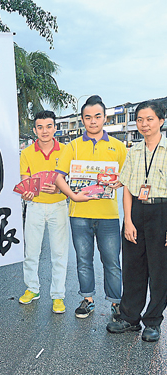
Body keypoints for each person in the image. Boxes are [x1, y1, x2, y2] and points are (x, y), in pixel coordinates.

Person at [55, 95, 127, 319]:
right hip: (79, 215)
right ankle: (88, 299)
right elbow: (58, 178)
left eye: (97, 116)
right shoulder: (73, 147)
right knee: (83, 261)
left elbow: (128, 176)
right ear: (82, 120)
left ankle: (116, 303)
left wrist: (119, 182)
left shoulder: (118, 146)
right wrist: (73, 197)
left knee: (112, 262)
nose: (93, 121)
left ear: (104, 118)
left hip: (108, 216)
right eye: (88, 117)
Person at [106, 101, 167, 342]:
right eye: (140, 119)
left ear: (161, 121)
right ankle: (129, 318)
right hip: (136, 213)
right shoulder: (134, 151)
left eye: (149, 119)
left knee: (160, 270)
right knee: (132, 267)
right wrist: (128, 221)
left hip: (162, 212)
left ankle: (153, 321)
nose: (144, 124)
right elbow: (128, 189)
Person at [18, 111, 70, 314]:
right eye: (40, 127)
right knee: (31, 252)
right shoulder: (26, 153)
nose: (44, 131)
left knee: (59, 253)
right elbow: (25, 181)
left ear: (55, 128)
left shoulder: (66, 150)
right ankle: (32, 288)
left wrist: (59, 189)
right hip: (35, 207)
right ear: (34, 130)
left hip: (58, 206)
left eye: (49, 126)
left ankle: (58, 296)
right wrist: (26, 193)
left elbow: (72, 179)